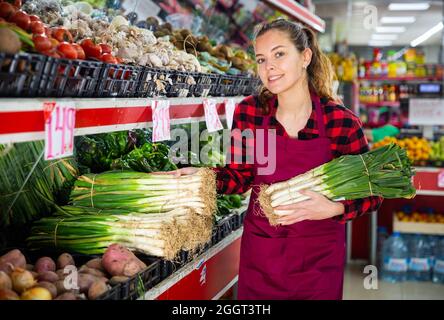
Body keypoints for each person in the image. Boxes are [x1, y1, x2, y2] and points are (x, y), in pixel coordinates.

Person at [165, 19, 383, 300]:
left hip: (317, 264)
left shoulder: (340, 122)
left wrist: (334, 208)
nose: (269, 67)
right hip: (262, 258)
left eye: (279, 54)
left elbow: (373, 193)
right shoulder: (251, 114)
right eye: (261, 59)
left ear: (305, 57)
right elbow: (240, 176)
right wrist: (200, 177)